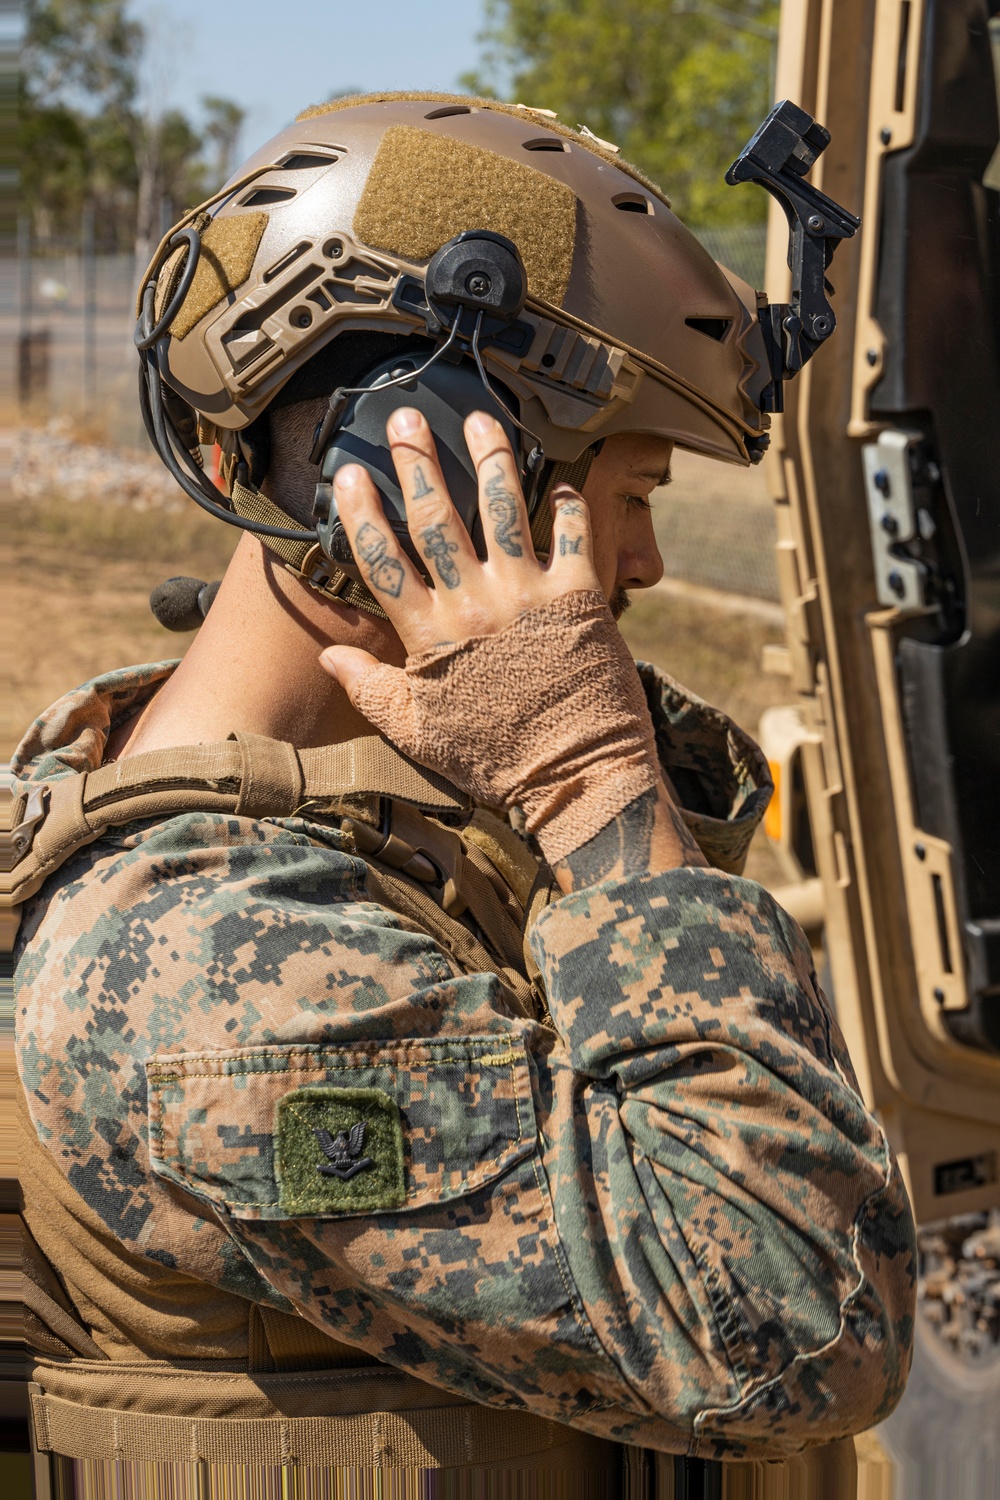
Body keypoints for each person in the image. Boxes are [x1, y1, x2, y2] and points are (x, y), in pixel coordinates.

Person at [11, 94, 916, 1494]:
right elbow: (804, 1319)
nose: (649, 563)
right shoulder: (204, 959)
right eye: (634, 493)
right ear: (414, 461)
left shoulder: (372, 814)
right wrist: (589, 774)